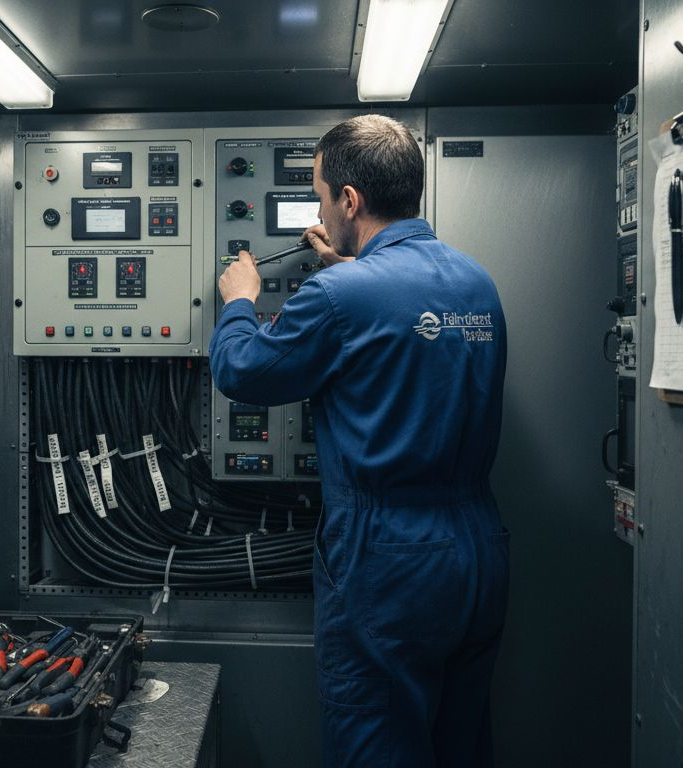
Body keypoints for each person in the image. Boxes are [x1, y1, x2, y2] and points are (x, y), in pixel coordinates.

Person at [209, 114, 509, 767]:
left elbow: (242, 372)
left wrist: (239, 300)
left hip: (387, 558)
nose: (320, 207)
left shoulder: (341, 294)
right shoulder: (475, 283)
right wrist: (346, 269)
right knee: (457, 742)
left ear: (349, 200)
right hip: (476, 551)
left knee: (376, 742)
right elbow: (407, 340)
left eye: (320, 195)